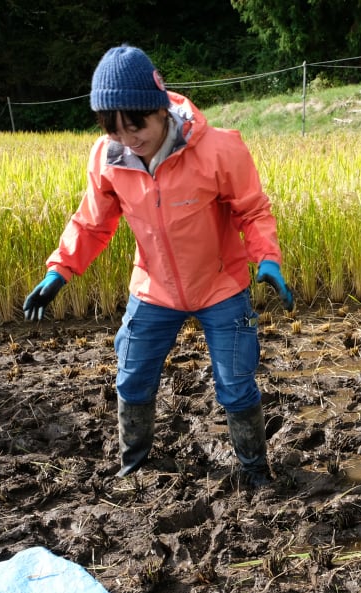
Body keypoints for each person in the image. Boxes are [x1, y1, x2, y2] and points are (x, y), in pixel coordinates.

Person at [23, 45, 294, 488]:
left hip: (220, 287)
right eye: (114, 129)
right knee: (132, 378)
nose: (129, 139)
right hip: (154, 288)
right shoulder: (107, 158)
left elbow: (253, 212)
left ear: (160, 109)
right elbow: (92, 222)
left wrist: (267, 259)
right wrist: (60, 270)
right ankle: (134, 466)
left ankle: (255, 470)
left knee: (236, 384)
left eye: (136, 125)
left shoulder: (218, 150)